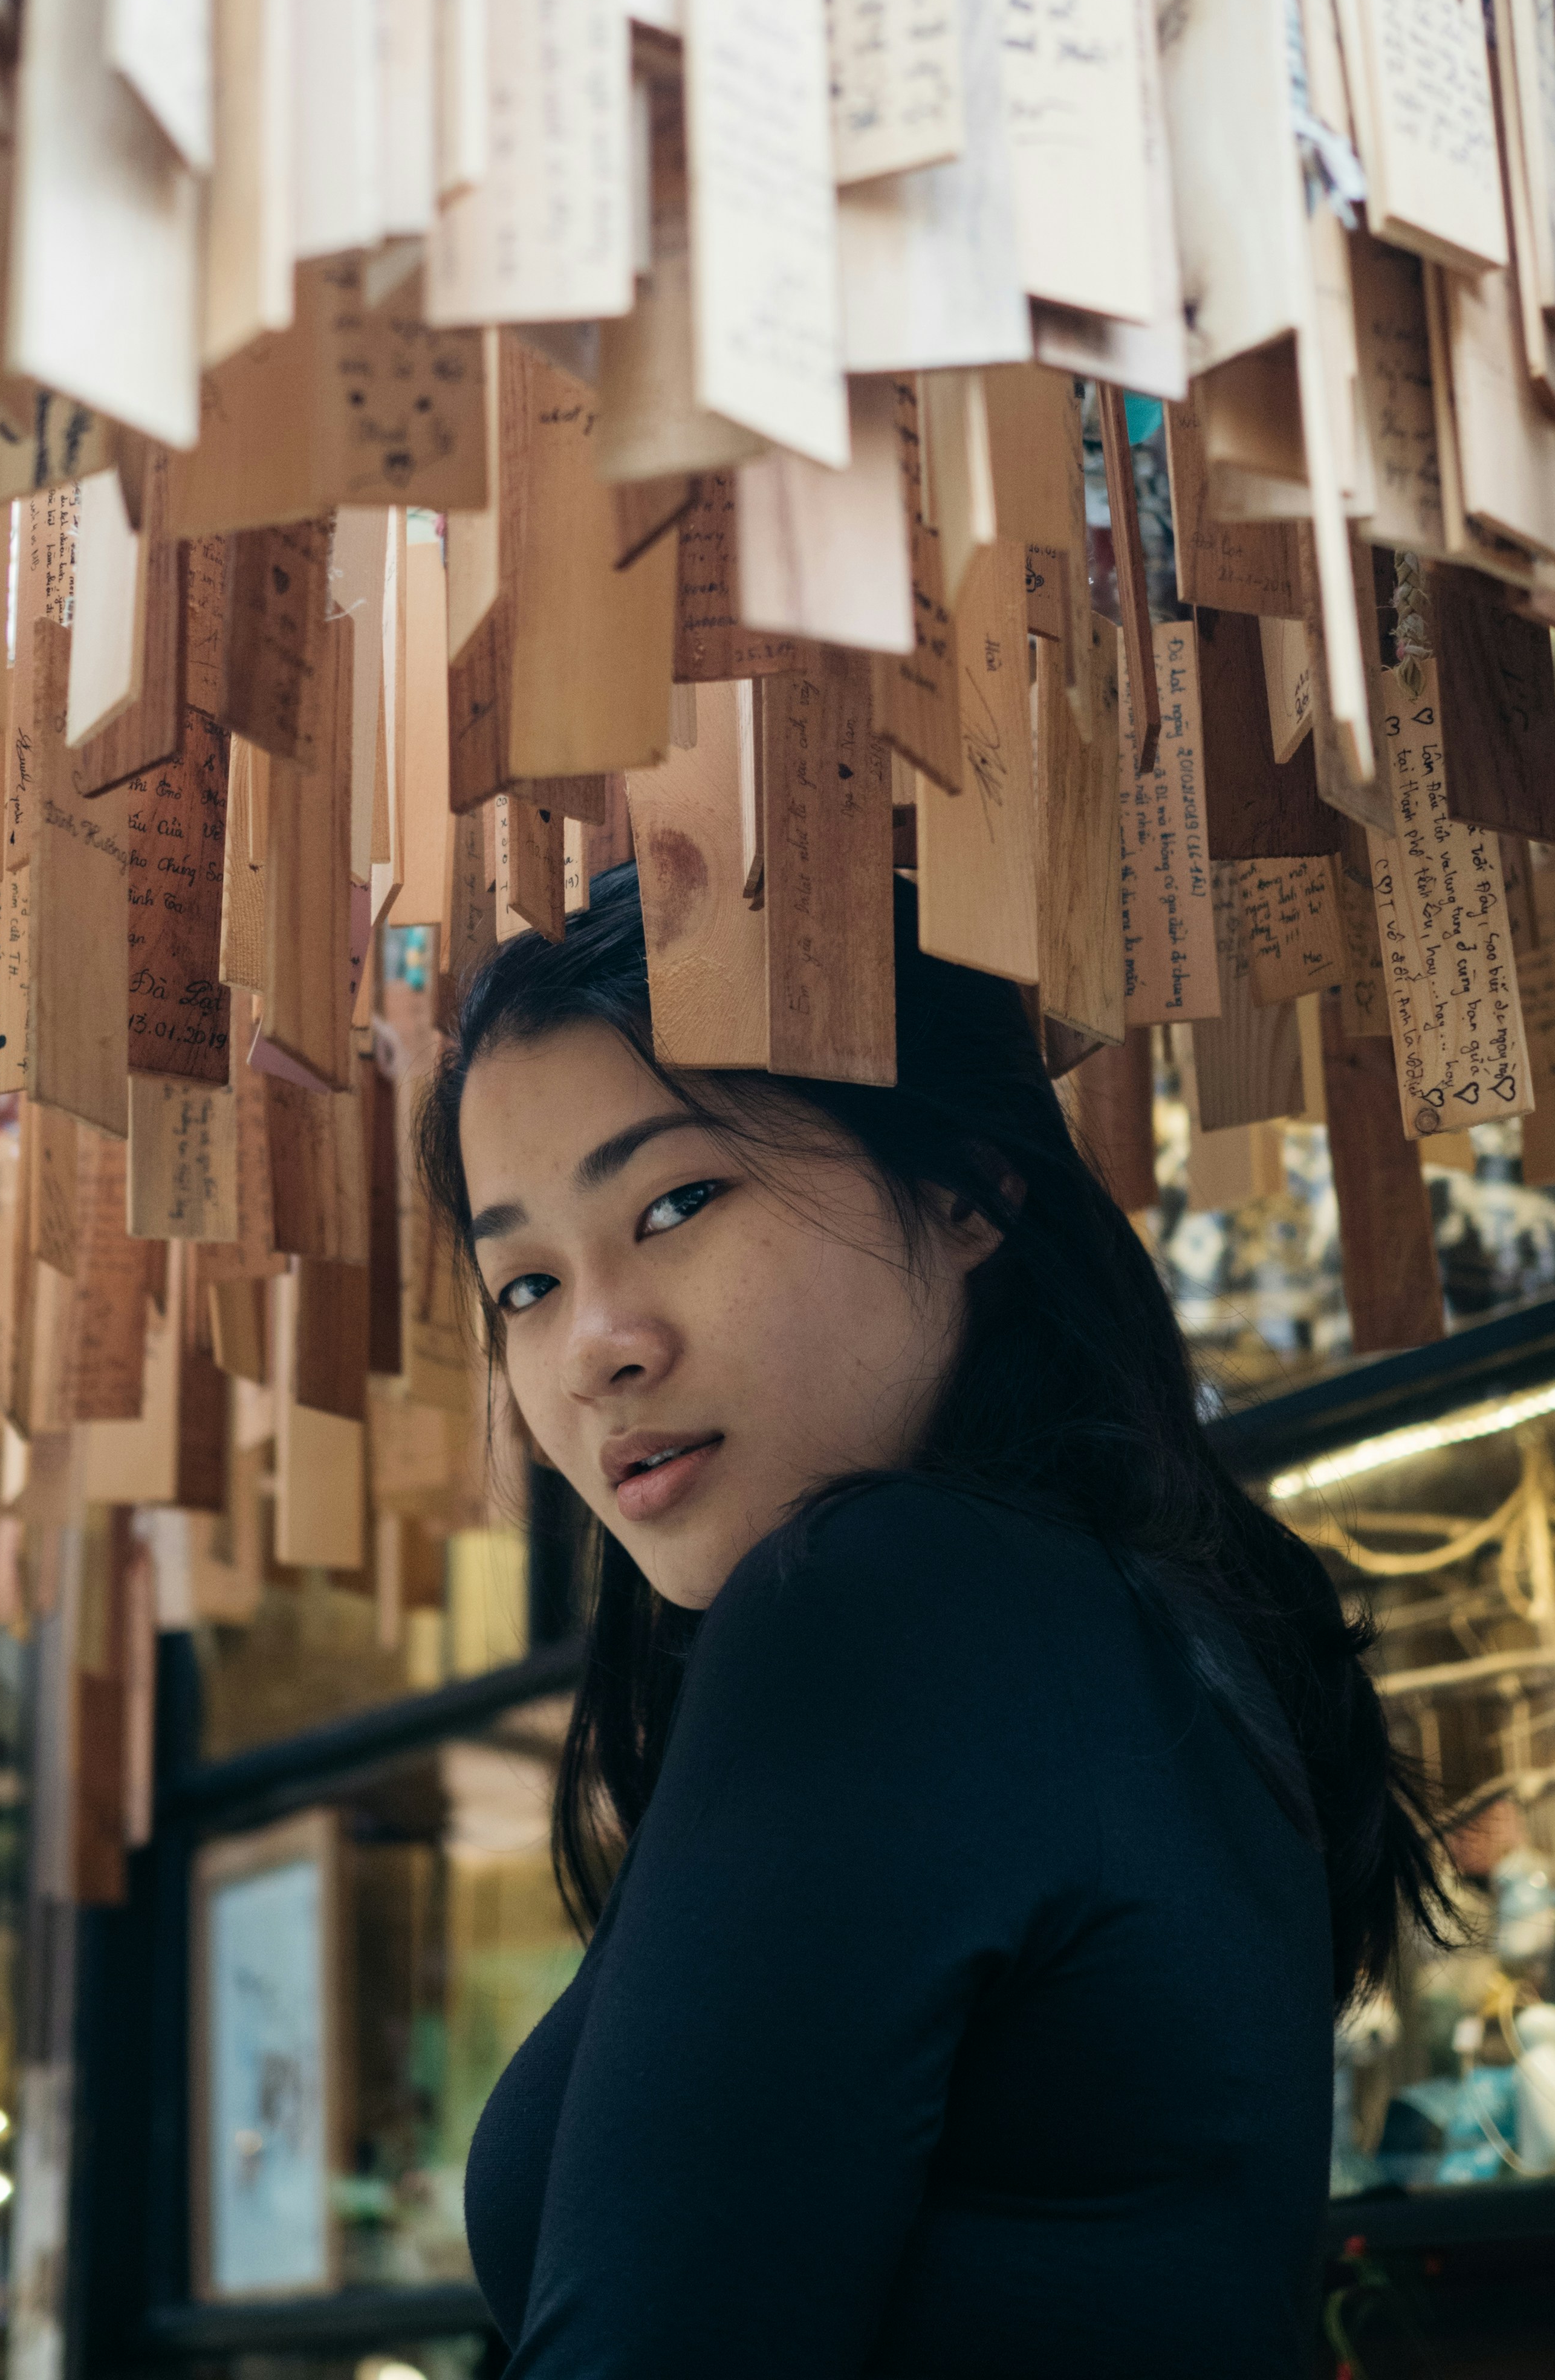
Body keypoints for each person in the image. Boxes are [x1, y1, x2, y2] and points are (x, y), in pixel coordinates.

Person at [417, 864, 1442, 2378]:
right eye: (523, 1287)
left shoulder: (889, 1601)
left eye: (678, 1201)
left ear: (966, 1186)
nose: (594, 1351)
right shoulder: (1136, 1629)